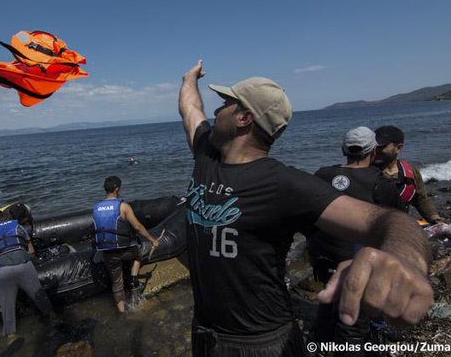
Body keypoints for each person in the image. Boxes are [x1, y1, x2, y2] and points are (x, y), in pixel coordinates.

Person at [179, 60, 433, 356]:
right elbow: (190, 109)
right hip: (205, 334)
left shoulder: (285, 184)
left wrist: (406, 259)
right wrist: (189, 78)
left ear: (244, 117)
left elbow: (390, 222)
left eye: (226, 103)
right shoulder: (207, 155)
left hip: (262, 342)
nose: (216, 110)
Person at [308, 126, 404, 355]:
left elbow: (307, 213)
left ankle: (321, 346)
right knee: (352, 322)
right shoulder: (382, 183)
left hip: (323, 257)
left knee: (329, 306)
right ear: (373, 151)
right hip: (358, 263)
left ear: (344, 149)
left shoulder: (322, 174)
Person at [0, 203, 54, 338]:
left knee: (7, 308)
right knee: (40, 296)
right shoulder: (18, 227)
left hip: (1, 271)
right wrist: (35, 262)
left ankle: (10, 336)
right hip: (23, 266)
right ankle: (52, 319)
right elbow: (31, 251)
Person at [92, 176, 160, 312]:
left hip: (108, 252)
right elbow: (137, 227)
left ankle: (122, 312)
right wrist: (153, 240)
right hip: (126, 250)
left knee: (117, 284)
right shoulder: (123, 206)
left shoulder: (96, 207)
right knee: (137, 256)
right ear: (117, 189)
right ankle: (134, 280)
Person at [373, 125, 445, 224]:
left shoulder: (409, 172)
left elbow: (420, 199)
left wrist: (436, 220)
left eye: (381, 147)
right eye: (373, 146)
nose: (376, 150)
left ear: (398, 148)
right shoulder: (366, 171)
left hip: (399, 227)